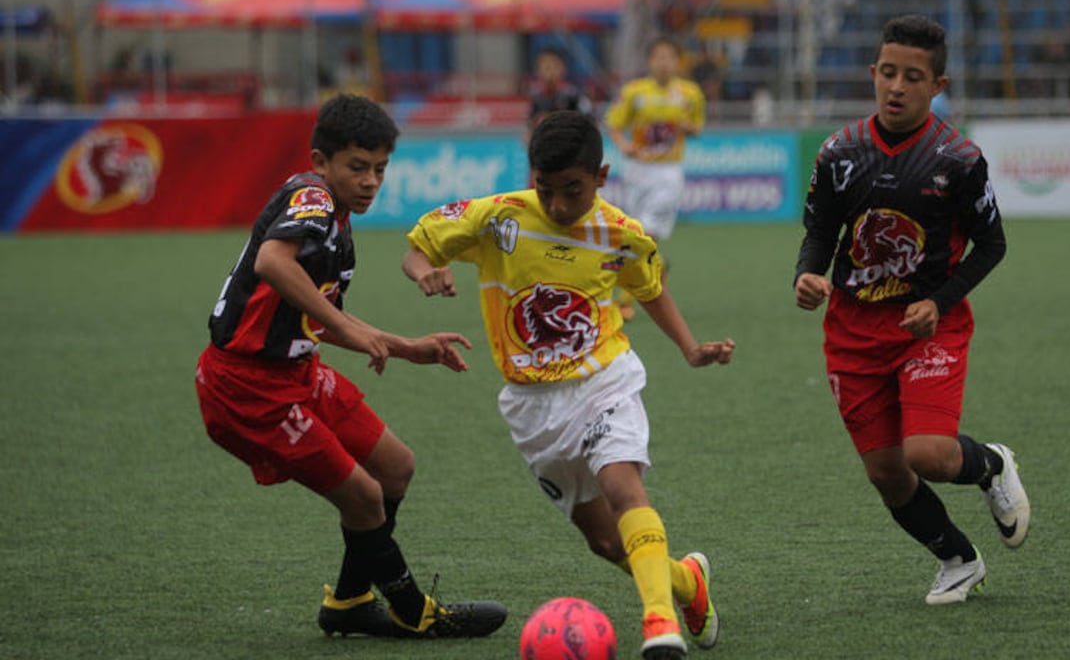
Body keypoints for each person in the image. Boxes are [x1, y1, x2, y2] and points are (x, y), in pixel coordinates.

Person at [401, 110, 733, 659]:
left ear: (601, 177)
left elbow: (649, 289)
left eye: (572, 191)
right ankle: (686, 584)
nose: (557, 205)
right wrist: (425, 273)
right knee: (605, 541)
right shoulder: (498, 218)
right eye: (545, 189)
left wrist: (690, 348)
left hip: (604, 380)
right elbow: (420, 248)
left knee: (625, 487)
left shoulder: (621, 234)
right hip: (532, 407)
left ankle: (660, 625)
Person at [194, 94, 506, 639]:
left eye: (380, 170)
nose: (370, 181)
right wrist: (346, 330)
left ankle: (349, 600)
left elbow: (320, 316)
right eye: (357, 167)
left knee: (395, 467)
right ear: (321, 161)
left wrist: (406, 346)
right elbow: (273, 263)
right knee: (363, 495)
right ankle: (414, 613)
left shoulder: (333, 217)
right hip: (246, 386)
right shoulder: (313, 199)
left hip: (294, 371)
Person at [793, 15, 1031, 605]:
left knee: (926, 451)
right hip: (852, 333)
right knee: (887, 474)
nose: (897, 87)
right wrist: (807, 272)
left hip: (929, 326)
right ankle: (957, 559)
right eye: (889, 73)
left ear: (938, 85)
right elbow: (821, 231)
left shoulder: (958, 158)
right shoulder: (839, 152)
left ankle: (991, 465)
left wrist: (939, 301)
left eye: (913, 77)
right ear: (873, 74)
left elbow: (993, 244)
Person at [604, 36, 706, 319]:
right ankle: (658, 267)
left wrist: (687, 126)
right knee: (635, 233)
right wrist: (624, 146)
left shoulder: (690, 93)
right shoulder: (635, 92)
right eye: (658, 57)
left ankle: (625, 302)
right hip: (637, 171)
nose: (664, 63)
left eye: (669, 57)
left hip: (668, 172)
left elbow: (697, 127)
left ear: (677, 61)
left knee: (645, 233)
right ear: (650, 62)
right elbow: (614, 123)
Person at [528, 46, 592, 137]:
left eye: (554, 67)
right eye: (546, 67)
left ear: (563, 69)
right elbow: (531, 129)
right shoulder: (536, 98)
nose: (550, 72)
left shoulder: (573, 95)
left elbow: (589, 125)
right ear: (538, 71)